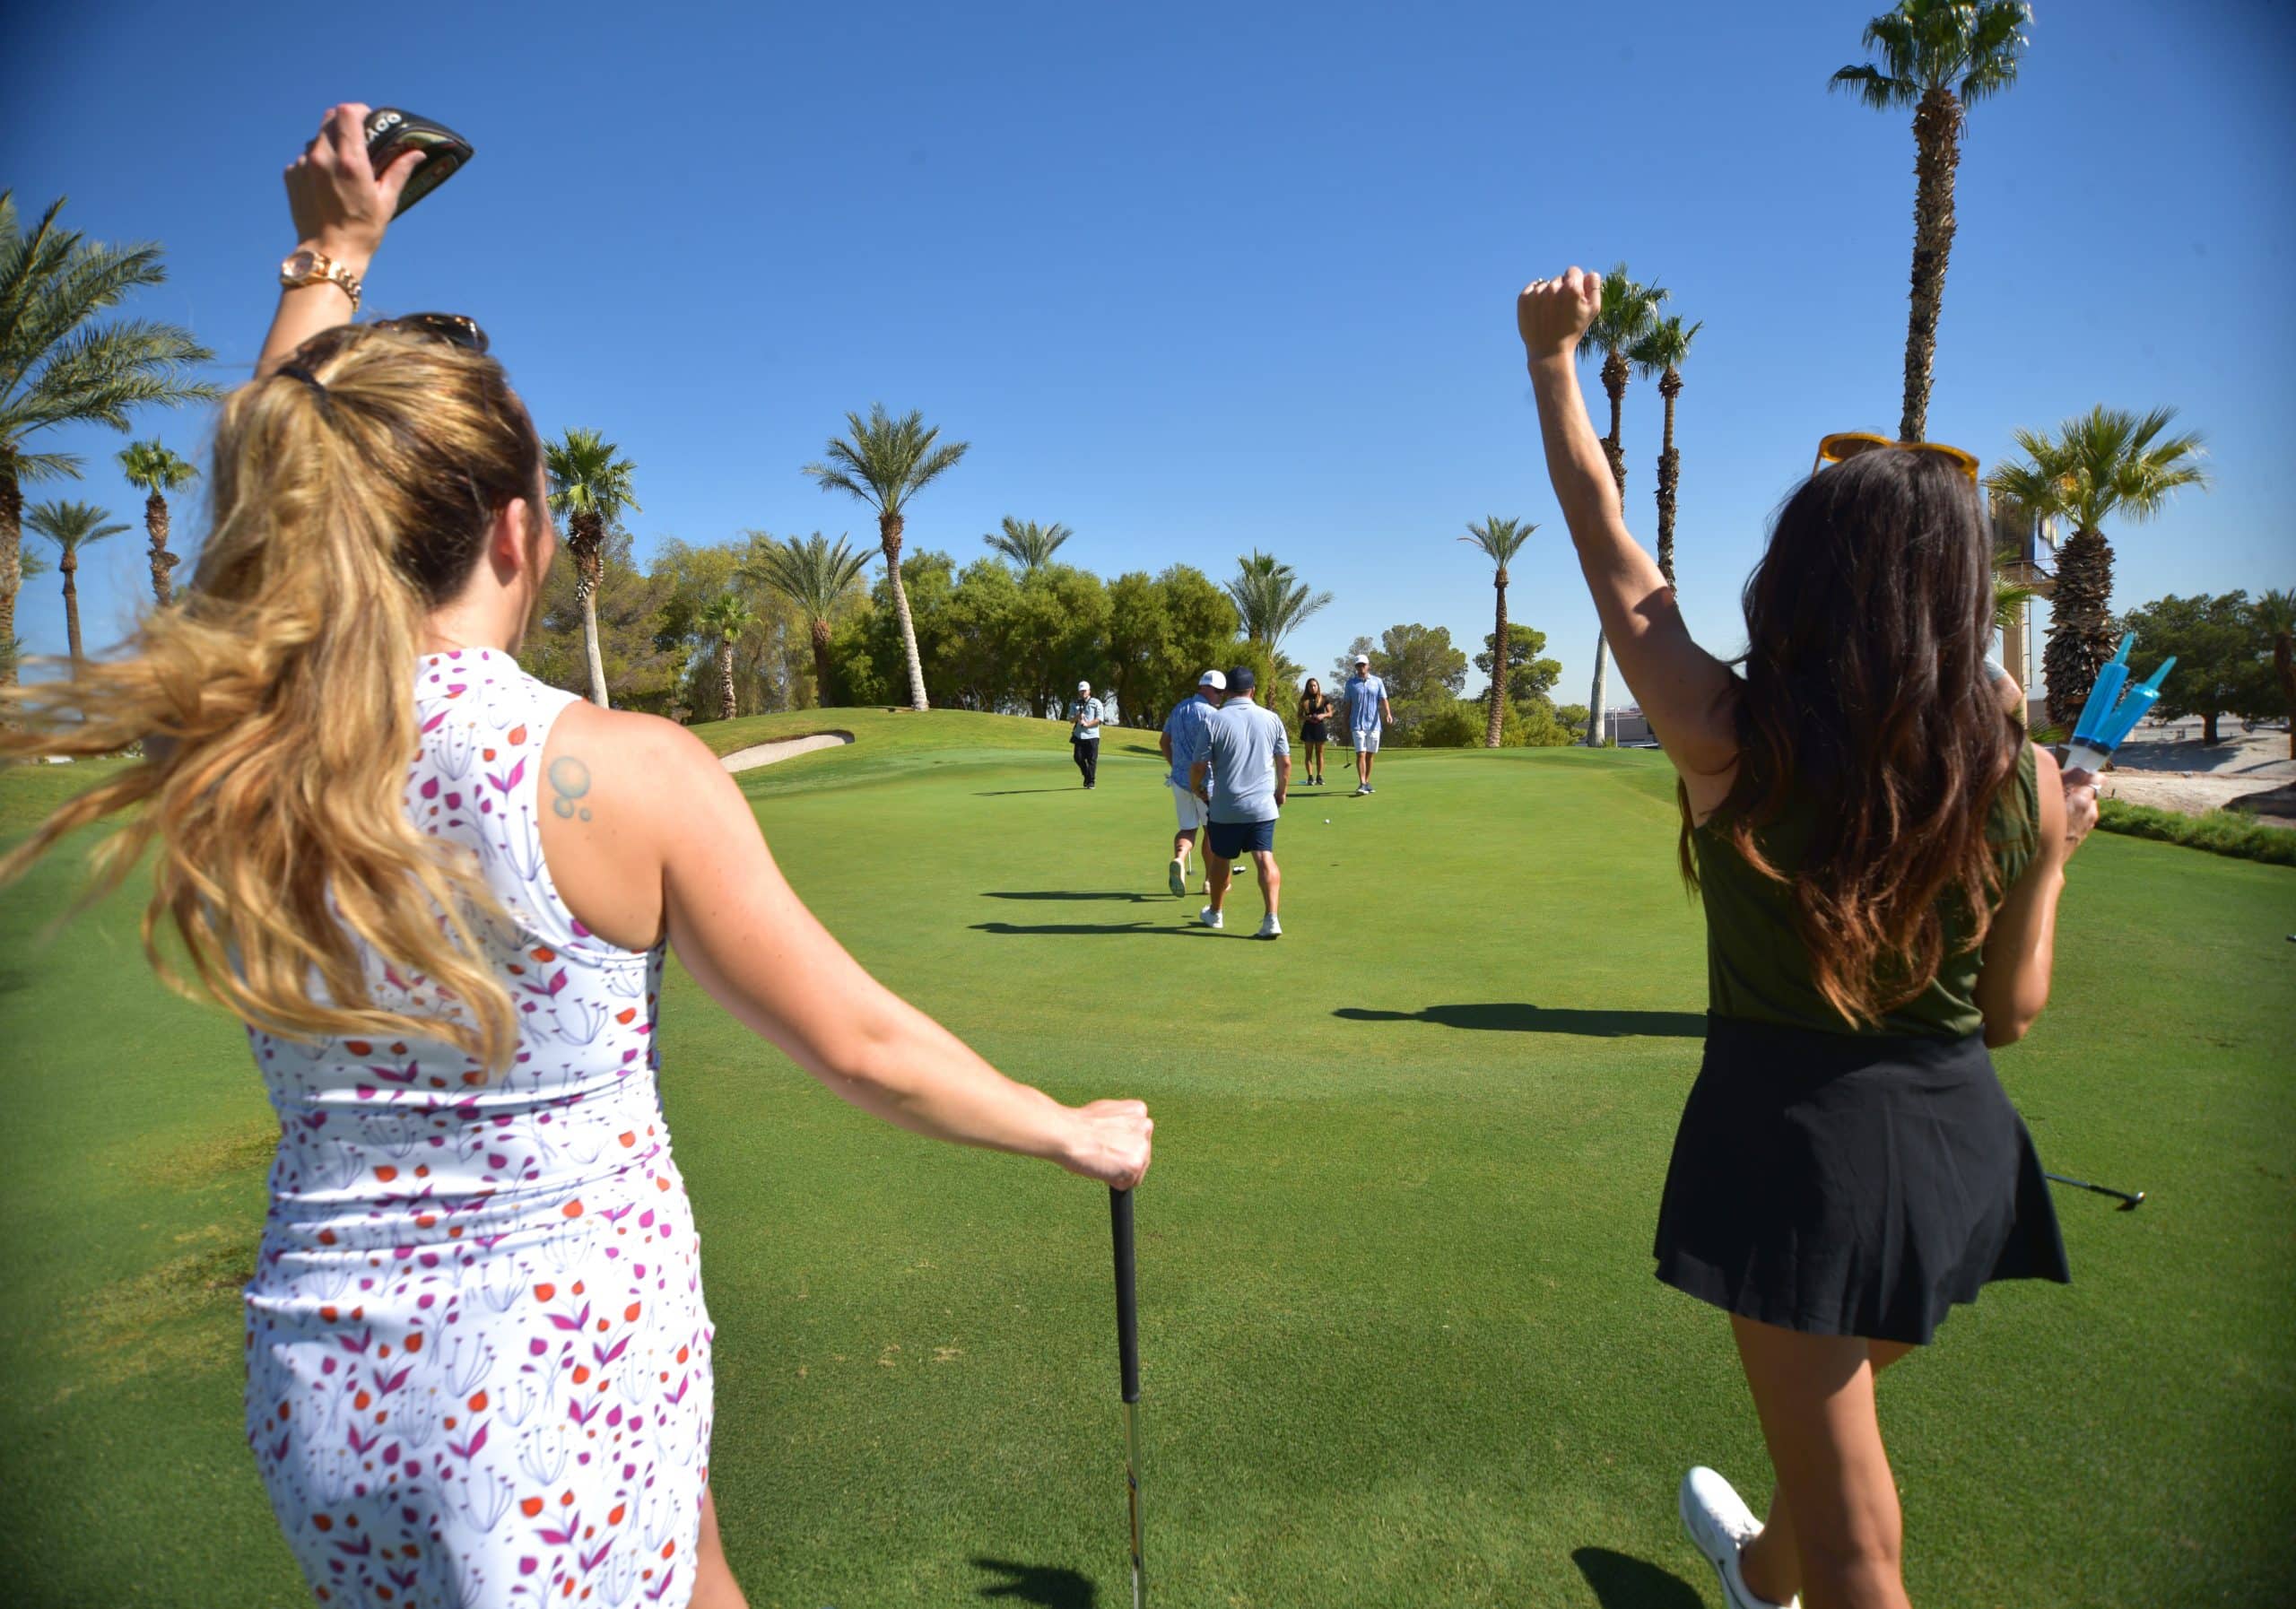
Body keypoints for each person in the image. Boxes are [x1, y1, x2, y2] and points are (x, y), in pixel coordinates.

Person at [0, 106, 1153, 1609]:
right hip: (558, 1370)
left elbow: (262, 518)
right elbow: (864, 1045)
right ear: (519, 536)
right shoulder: (621, 769)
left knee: (696, 1561)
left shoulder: (253, 749)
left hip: (326, 1383)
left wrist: (328, 261)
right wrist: (1068, 1129)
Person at [1517, 267, 2100, 1609]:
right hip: (1959, 1153)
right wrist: (2057, 858)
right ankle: (1753, 1574)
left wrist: (1553, 362)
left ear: (1802, 572)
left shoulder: (1728, 732)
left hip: (1797, 1160)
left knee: (1857, 1548)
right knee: (1827, 1447)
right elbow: (2012, 1014)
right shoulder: (2020, 769)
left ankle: (1785, 1575)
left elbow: (1606, 537)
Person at [1190, 666, 1291, 938]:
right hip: (1262, 806)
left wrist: (1196, 787)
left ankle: (1216, 913)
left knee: (1221, 858)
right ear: (1253, 691)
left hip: (1227, 806)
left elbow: (1199, 765)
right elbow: (1285, 763)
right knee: (1264, 857)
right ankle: (1272, 919)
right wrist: (1281, 792)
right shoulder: (1272, 719)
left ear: (1227, 692)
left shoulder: (1214, 720)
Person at [1160, 670, 1225, 895]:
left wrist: (1176, 766)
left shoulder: (1179, 708)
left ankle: (1179, 859)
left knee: (1187, 829)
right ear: (1205, 688)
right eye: (1218, 691)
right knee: (1211, 832)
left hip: (1179, 781)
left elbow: (1164, 742)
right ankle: (1209, 881)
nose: (1221, 696)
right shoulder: (1213, 715)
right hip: (1206, 784)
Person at [1343, 654, 1393, 795]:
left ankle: (1367, 781)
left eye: (1363, 665)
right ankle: (1362, 783)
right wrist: (1345, 721)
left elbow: (1384, 699)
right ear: (1356, 667)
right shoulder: (1351, 683)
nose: (1361, 667)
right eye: (1358, 665)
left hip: (1374, 724)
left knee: (1370, 755)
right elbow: (1348, 704)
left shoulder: (1377, 681)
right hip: (1357, 724)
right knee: (1361, 754)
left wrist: (1388, 714)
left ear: (1368, 666)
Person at [1296, 677, 1335, 787]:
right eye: (1310, 686)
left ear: (1318, 686)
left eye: (1314, 685)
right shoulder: (1303, 700)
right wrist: (1307, 717)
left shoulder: (1324, 699)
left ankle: (1319, 776)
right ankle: (1310, 777)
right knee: (1308, 754)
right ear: (1307, 688)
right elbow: (1299, 716)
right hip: (1308, 728)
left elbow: (1330, 713)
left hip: (1320, 728)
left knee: (1319, 753)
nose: (1313, 688)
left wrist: (1323, 715)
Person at [1068, 679, 1104, 788]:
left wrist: (1088, 724)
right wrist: (1078, 717)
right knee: (1078, 757)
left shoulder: (1096, 703)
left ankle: (1091, 781)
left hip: (1093, 735)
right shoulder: (1074, 704)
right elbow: (1071, 720)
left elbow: (1099, 719)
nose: (1083, 692)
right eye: (1081, 691)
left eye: (1085, 690)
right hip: (1079, 735)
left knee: (1091, 759)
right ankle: (1087, 775)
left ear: (1089, 691)